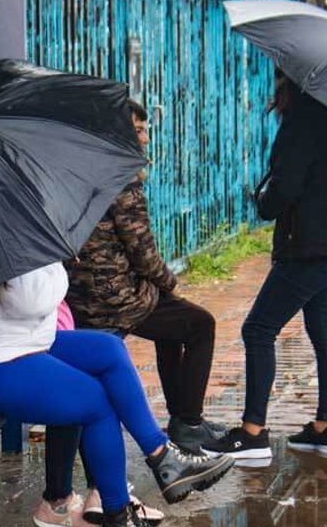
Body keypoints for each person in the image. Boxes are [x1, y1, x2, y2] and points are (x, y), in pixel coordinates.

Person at [0, 262, 234, 527]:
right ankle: (118, 512)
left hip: (7, 345)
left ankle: (163, 457)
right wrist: (52, 262)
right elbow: (32, 300)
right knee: (95, 402)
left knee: (108, 349)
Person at [203, 70, 327, 460]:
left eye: (279, 79)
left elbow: (286, 189)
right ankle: (326, 429)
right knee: (324, 329)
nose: (275, 88)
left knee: (258, 328)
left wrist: (264, 201)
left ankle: (252, 433)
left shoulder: (303, 121)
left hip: (310, 248)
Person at [66, 100, 225, 451]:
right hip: (113, 299)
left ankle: (183, 417)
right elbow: (143, 252)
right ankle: (189, 422)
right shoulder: (121, 180)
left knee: (171, 320)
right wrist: (170, 282)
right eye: (139, 130)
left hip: (80, 294)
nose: (146, 139)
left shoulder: (81, 173)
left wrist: (161, 288)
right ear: (121, 135)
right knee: (201, 324)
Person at [33, 301, 164, 527]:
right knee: (85, 382)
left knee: (96, 370)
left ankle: (99, 493)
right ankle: (60, 500)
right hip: (25, 343)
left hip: (51, 330)